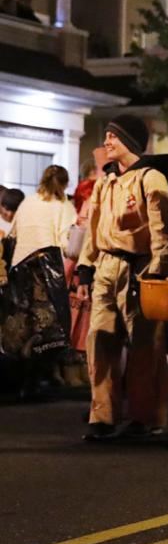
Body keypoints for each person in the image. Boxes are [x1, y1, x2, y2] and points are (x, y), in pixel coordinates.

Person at [75, 115, 168, 441]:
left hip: (139, 268)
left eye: (112, 137)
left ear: (129, 142)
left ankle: (144, 416)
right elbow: (94, 229)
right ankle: (102, 415)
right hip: (106, 267)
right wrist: (85, 267)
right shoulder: (106, 182)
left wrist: (158, 270)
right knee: (100, 340)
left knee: (144, 346)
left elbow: (164, 229)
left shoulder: (151, 179)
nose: (106, 142)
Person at [4, 165, 76, 401]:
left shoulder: (29, 203)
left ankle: (18, 382)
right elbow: (67, 242)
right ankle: (35, 381)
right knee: (48, 329)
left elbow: (13, 234)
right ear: (64, 184)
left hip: (20, 269)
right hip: (46, 272)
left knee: (21, 326)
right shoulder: (63, 206)